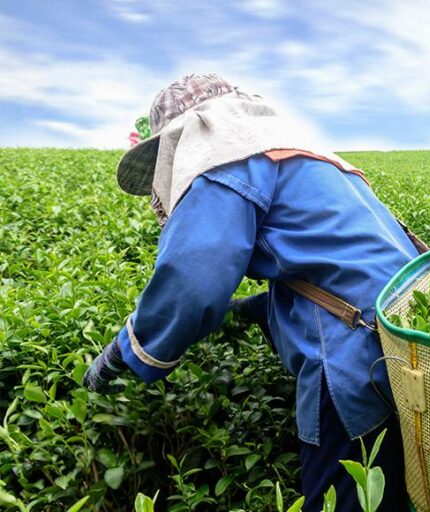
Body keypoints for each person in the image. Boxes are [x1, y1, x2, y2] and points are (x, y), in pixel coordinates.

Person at [81, 74, 413, 512]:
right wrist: (256, 310)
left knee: (340, 496)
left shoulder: (225, 158)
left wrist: (128, 351)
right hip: (402, 335)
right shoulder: (303, 157)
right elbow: (332, 262)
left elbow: (192, 278)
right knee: (389, 489)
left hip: (350, 353)